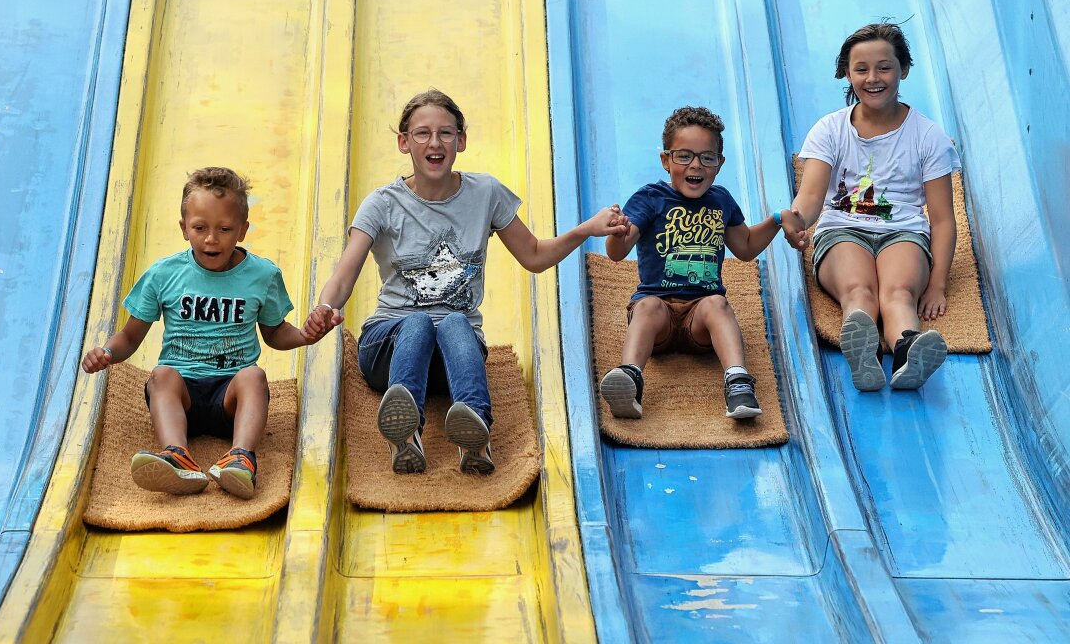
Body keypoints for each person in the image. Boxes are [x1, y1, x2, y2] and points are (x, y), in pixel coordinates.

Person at [304, 89, 625, 475]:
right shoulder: (382, 204)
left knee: (457, 322)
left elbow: (535, 256)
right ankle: (405, 433)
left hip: (452, 357)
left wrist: (586, 229)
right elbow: (345, 272)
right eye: (422, 133)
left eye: (446, 133)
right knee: (418, 322)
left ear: (462, 140)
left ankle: (474, 432)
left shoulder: (485, 193)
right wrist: (326, 307)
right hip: (386, 347)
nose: (435, 142)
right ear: (405, 142)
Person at [81, 167, 321, 498]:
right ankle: (177, 454)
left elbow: (276, 334)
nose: (211, 238)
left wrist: (305, 336)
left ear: (242, 230)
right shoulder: (164, 274)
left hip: (230, 399)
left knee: (254, 376)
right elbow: (130, 337)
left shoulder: (263, 275)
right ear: (184, 228)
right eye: (200, 228)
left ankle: (241, 457)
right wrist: (107, 352)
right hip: (183, 398)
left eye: (224, 229)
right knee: (162, 374)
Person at [600, 106, 802, 420]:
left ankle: (737, 382)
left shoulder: (721, 201)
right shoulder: (650, 198)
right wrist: (617, 231)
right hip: (660, 317)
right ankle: (630, 377)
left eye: (707, 157)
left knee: (716, 304)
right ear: (666, 160)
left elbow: (746, 247)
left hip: (700, 320)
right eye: (684, 156)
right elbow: (617, 251)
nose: (696, 164)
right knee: (647, 306)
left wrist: (777, 219)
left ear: (719, 164)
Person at [786, 22, 957, 391]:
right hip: (843, 230)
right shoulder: (830, 129)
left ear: (904, 70)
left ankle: (908, 349)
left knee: (897, 292)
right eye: (861, 69)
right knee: (860, 290)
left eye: (884, 67)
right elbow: (812, 196)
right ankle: (863, 354)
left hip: (903, 231)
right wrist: (797, 219)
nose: (873, 78)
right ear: (846, 73)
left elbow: (942, 220)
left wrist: (938, 285)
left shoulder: (929, 136)